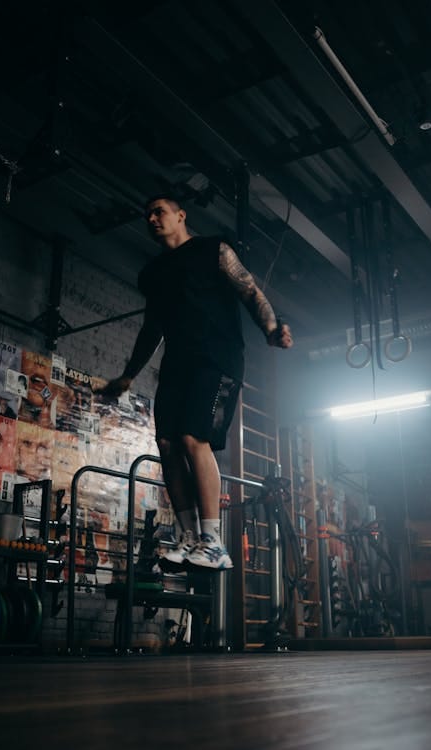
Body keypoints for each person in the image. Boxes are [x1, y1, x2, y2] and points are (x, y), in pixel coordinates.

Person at [98, 195, 293, 570]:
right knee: (168, 444)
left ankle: (213, 540)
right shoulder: (153, 274)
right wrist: (128, 374)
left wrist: (270, 327)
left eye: (160, 211)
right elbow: (151, 329)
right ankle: (189, 536)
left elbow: (248, 289)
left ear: (181, 215)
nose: (152, 218)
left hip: (218, 359)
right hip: (177, 364)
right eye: (147, 214)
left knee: (192, 438)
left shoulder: (212, 250)